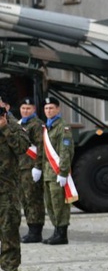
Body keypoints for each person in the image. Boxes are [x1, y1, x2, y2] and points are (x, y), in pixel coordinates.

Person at [0, 105, 31, 271]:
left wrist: (5, 128)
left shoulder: (12, 124)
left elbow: (22, 147)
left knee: (8, 233)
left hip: (6, 192)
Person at [41, 97, 75, 245]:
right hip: (48, 173)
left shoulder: (62, 127)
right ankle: (56, 231)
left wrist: (62, 172)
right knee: (50, 203)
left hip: (57, 172)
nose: (48, 111)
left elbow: (65, 151)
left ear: (58, 109)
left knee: (59, 203)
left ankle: (62, 234)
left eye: (51, 108)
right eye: (46, 108)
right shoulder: (47, 126)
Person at [18, 98, 47, 243]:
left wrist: (38, 167)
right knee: (25, 199)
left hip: (31, 167)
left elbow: (41, 147)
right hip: (21, 168)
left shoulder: (37, 124)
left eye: (28, 108)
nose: (25, 111)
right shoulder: (19, 124)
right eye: (23, 108)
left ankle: (36, 231)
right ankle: (31, 229)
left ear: (34, 109)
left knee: (33, 199)